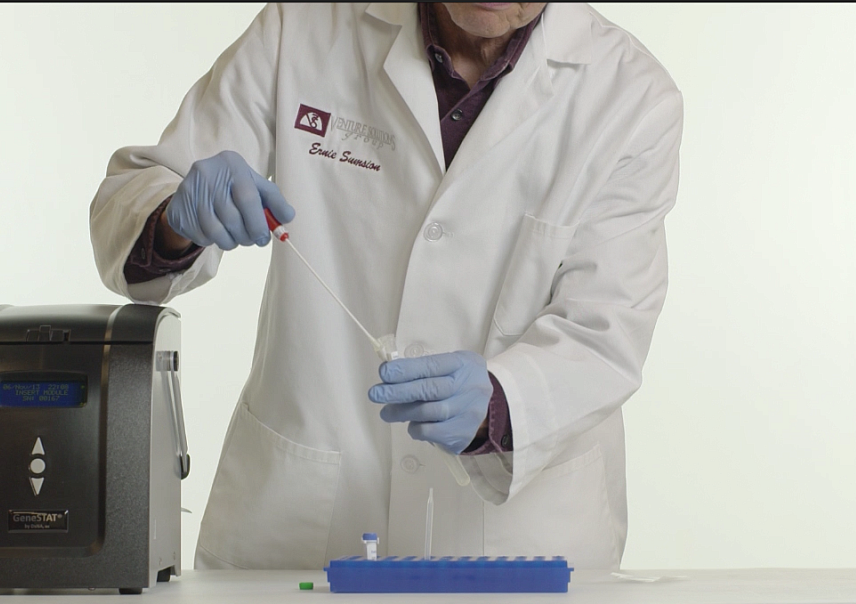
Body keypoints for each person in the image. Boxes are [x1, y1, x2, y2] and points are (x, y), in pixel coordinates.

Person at [90, 2, 682, 570]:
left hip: (520, 539)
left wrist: (501, 404)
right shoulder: (300, 25)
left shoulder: (630, 97)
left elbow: (607, 329)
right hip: (298, 531)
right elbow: (137, 192)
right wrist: (173, 222)